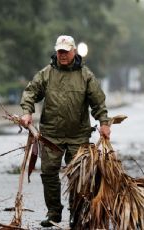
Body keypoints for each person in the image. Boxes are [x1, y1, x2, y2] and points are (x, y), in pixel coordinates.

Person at [19, 35, 111, 227]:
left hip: (78, 135)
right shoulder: (47, 74)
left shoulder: (86, 76)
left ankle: (74, 213)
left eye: (66, 51)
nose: (62, 55)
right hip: (51, 135)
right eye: (59, 51)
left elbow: (98, 102)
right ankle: (54, 213)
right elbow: (30, 92)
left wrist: (104, 122)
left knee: (77, 175)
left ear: (74, 51)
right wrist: (27, 112)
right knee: (48, 173)